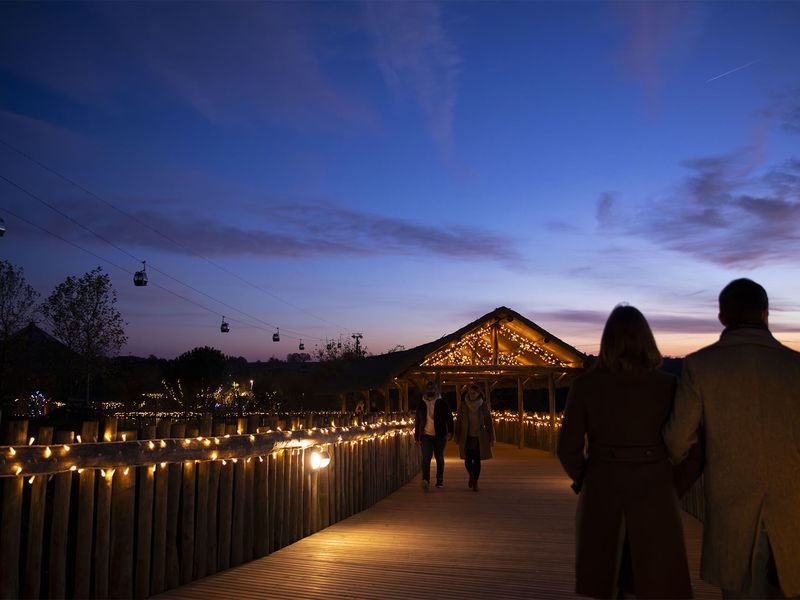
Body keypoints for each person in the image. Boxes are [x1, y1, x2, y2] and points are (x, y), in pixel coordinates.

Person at [664, 278, 800, 599]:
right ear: (766, 314)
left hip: (733, 511)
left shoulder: (700, 366)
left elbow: (675, 441)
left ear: (722, 316)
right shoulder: (795, 366)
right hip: (793, 510)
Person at [558, 305, 700, 599]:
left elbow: (567, 448)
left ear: (607, 340)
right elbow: (695, 447)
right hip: (657, 489)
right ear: (647, 339)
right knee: (655, 574)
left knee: (609, 574)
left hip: (603, 487)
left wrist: (588, 479)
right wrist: (676, 486)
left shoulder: (585, 385)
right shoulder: (669, 385)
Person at [454, 382, 494, 492]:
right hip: (467, 436)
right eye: (470, 393)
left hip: (479, 436)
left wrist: (492, 437)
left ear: (478, 394)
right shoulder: (463, 405)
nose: (472, 395)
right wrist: (456, 436)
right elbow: (458, 422)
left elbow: (488, 421)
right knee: (467, 460)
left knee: (477, 460)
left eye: (474, 393)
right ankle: (471, 475)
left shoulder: (483, 405)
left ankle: (475, 481)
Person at [414, 381, 454, 491]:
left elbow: (449, 418)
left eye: (432, 389)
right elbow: (417, 421)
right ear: (425, 391)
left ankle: (439, 480)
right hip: (426, 435)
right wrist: (417, 437)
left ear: (435, 390)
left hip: (440, 435)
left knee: (439, 457)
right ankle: (425, 480)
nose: (430, 391)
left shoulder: (442, 403)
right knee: (426, 458)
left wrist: (450, 431)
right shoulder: (421, 404)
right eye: (428, 389)